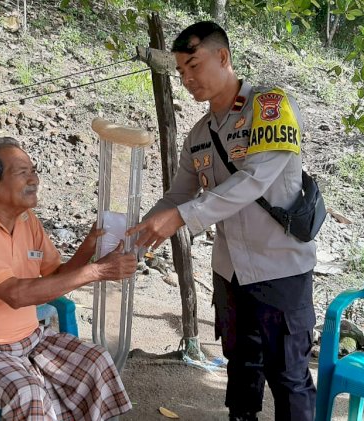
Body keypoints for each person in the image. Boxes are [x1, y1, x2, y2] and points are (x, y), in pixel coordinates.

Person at [127, 21, 317, 421]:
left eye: (193, 65)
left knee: (288, 376)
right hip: (230, 271)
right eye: (180, 72)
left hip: (279, 267)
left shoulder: (269, 107)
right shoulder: (198, 134)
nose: (187, 78)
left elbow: (255, 178)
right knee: (241, 365)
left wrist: (181, 218)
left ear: (223, 57)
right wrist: (141, 231)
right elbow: (177, 194)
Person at [0, 137, 135, 421]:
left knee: (97, 361)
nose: (35, 179)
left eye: (34, 170)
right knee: (28, 391)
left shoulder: (27, 220)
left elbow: (56, 276)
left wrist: (90, 246)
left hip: (31, 339)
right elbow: (15, 295)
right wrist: (99, 271)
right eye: (23, 173)